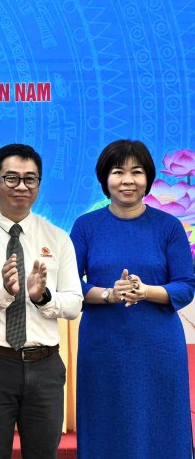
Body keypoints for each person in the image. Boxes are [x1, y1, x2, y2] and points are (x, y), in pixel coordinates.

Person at [0, 143, 83, 459]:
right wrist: (3, 292)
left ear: (39, 184)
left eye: (30, 179)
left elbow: (74, 304)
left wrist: (42, 297)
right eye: (11, 178)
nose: (21, 186)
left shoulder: (58, 238)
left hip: (45, 366)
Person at [70, 139, 195, 458]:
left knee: (161, 427)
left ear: (148, 178)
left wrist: (146, 292)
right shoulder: (86, 226)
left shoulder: (169, 226)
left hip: (158, 346)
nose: (128, 180)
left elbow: (186, 285)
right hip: (103, 345)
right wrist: (109, 294)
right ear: (104, 179)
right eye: (118, 171)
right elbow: (69, 284)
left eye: (136, 172)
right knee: (105, 424)